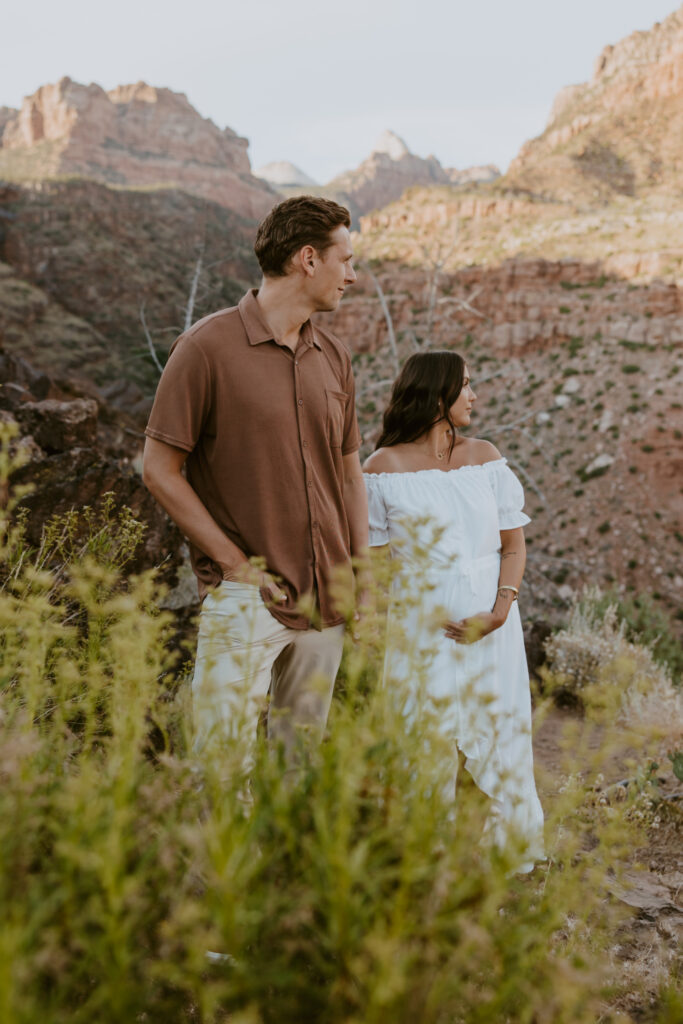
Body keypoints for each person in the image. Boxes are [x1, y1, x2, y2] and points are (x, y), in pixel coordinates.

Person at [142, 196, 368, 766]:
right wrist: (235, 565)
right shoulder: (205, 348)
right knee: (221, 770)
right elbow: (159, 470)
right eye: (347, 259)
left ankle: (284, 860)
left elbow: (348, 474)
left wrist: (361, 575)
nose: (353, 274)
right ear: (308, 259)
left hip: (327, 601)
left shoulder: (335, 357)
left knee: (301, 767)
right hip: (248, 599)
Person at [362, 350, 544, 870]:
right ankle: (422, 863)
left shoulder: (485, 456)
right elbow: (374, 569)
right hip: (423, 634)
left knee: (504, 729)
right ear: (438, 395)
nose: (474, 395)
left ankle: (513, 860)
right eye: (465, 385)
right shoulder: (382, 469)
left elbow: (513, 546)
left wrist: (501, 608)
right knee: (423, 737)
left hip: (494, 627)